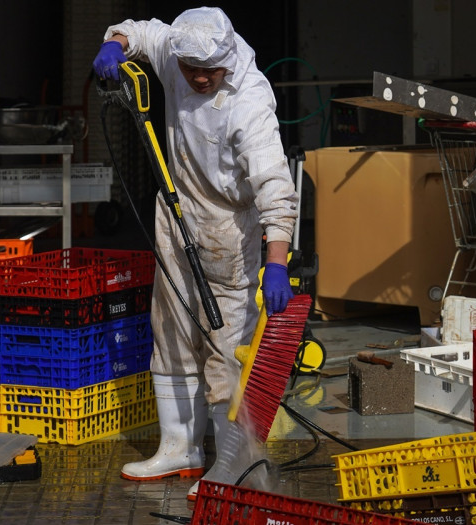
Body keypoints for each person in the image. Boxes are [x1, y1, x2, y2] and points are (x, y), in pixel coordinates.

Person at [92, 7, 298, 499]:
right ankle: (180, 447)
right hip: (176, 206)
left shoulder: (249, 102)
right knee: (171, 328)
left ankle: (233, 465)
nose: (201, 79)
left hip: (231, 227)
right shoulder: (176, 50)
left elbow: (275, 188)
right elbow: (141, 32)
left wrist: (276, 262)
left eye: (211, 70)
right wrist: (115, 45)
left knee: (227, 346)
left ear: (228, 58)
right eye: (191, 71)